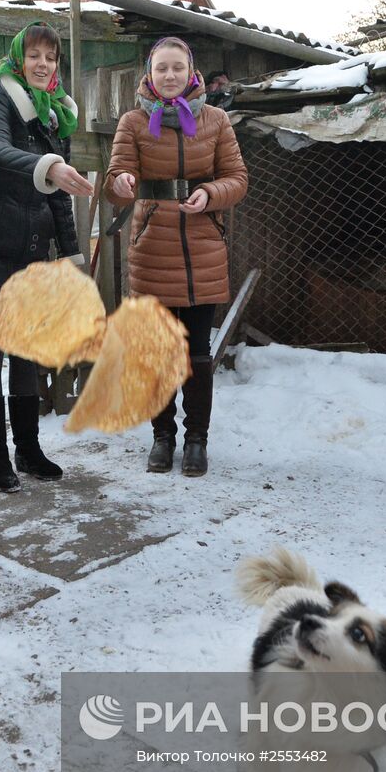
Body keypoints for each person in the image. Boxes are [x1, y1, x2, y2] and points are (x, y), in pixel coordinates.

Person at [0, 22, 94, 493]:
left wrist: (72, 256)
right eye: (35, 56)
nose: (44, 64)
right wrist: (46, 165)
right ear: (18, 60)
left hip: (29, 256)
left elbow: (57, 196)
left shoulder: (55, 118)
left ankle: (28, 450)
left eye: (51, 57)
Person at [105, 37, 248, 477]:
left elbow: (238, 178)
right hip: (152, 249)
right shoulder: (132, 122)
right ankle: (162, 438)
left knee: (197, 355)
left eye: (177, 69)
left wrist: (210, 193)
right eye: (162, 69)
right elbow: (114, 179)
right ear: (150, 74)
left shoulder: (216, 120)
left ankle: (197, 440)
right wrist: (123, 182)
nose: (170, 76)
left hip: (203, 248)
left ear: (191, 72)